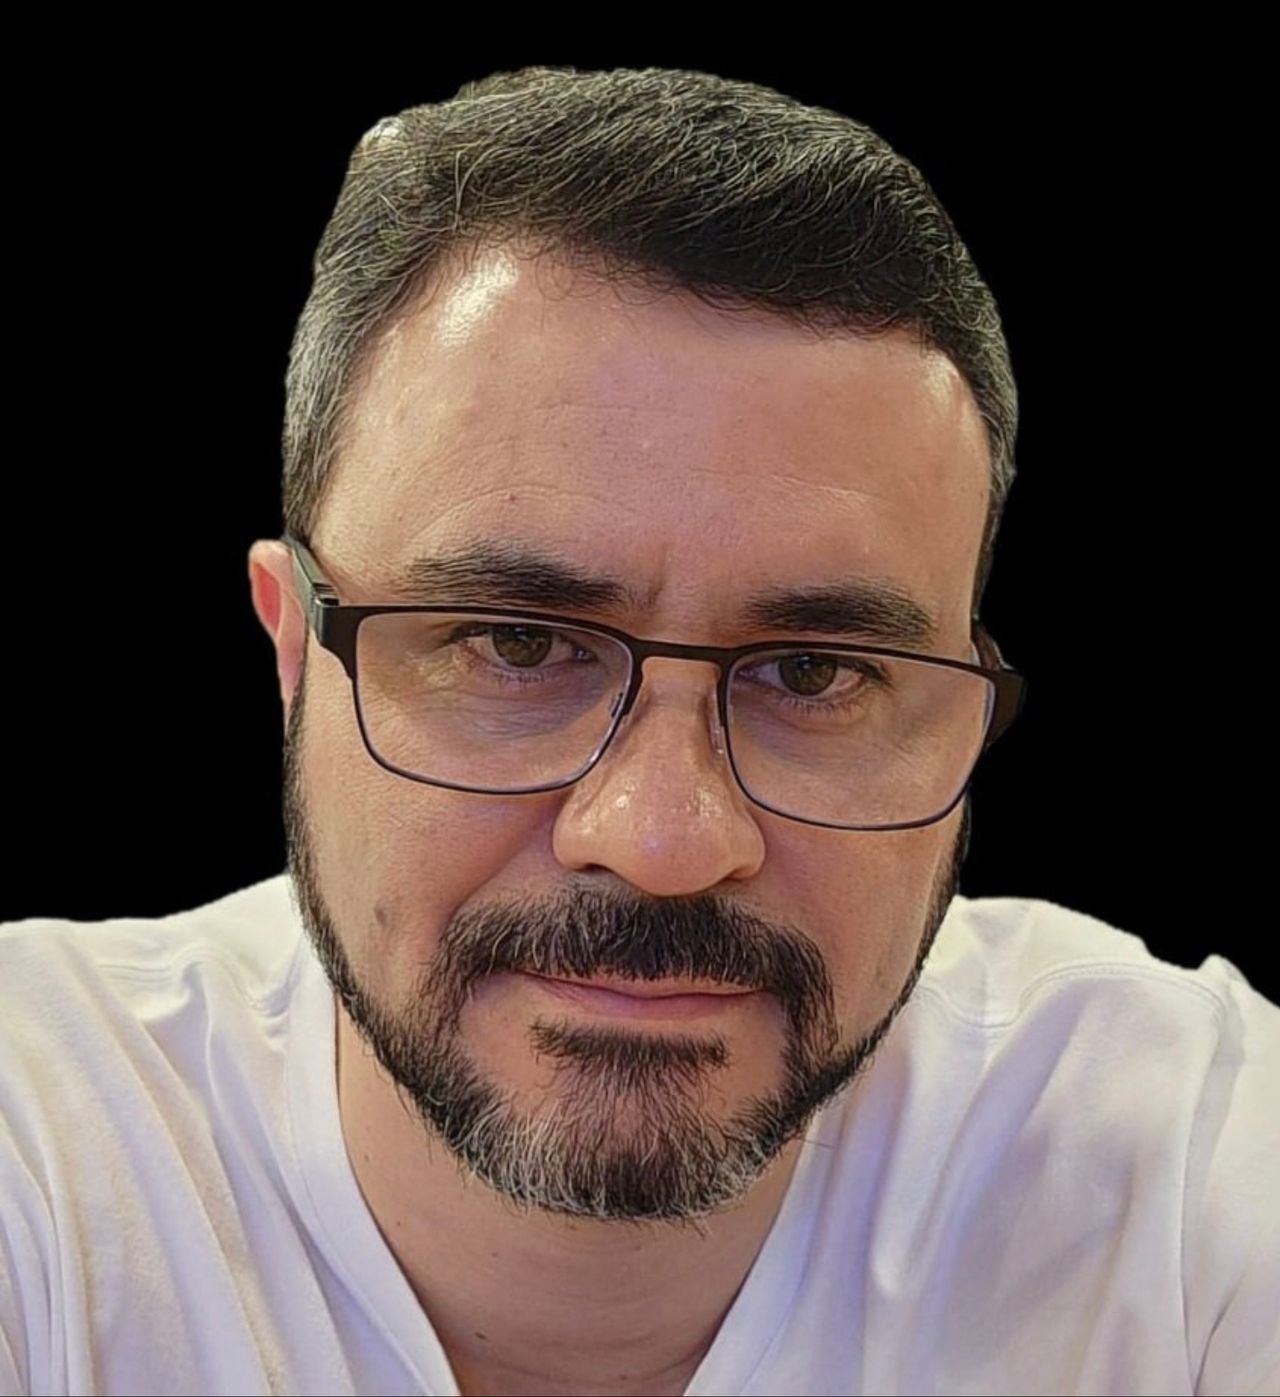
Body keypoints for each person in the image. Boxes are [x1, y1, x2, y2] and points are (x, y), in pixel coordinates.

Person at [1, 65, 1276, 1397]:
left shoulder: (1186, 1176)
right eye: (517, 645)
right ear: (291, 654)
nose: (664, 841)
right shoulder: (39, 1141)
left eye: (814, 671)